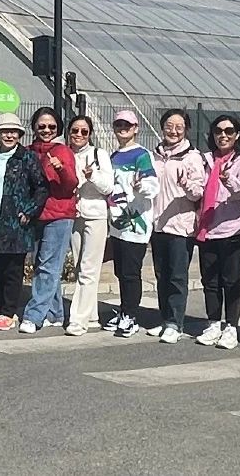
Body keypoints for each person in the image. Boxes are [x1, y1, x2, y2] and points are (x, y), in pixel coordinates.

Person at [192, 115, 240, 350]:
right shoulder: (205, 160)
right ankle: (213, 323)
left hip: (233, 231)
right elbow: (198, 189)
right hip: (207, 229)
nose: (223, 135)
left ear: (237, 135)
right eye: (219, 131)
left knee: (231, 281)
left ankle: (231, 327)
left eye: (229, 131)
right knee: (210, 281)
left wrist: (230, 181)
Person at [0, 113, 47, 331]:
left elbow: (41, 187)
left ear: (19, 134)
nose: (9, 135)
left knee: (12, 270)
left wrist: (29, 210)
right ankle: (1, 308)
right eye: (5, 131)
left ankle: (8, 312)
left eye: (13, 132)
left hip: (15, 223)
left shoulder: (26, 157)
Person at [148, 109, 206, 344]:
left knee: (177, 276)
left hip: (180, 226)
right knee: (161, 274)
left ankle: (175, 322)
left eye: (179, 127)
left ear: (186, 130)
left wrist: (186, 184)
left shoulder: (192, 157)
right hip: (157, 224)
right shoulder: (154, 155)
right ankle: (165, 319)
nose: (173, 131)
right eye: (169, 126)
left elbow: (198, 192)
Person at [20, 108, 79, 334]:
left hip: (59, 215)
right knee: (42, 266)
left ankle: (33, 315)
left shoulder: (63, 151)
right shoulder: (28, 151)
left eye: (52, 127)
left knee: (48, 266)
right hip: (36, 214)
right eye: (42, 126)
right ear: (34, 127)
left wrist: (60, 169)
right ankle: (54, 313)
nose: (46, 130)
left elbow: (71, 184)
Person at [104, 110, 161, 337]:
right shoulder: (113, 156)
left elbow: (152, 185)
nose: (122, 129)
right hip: (116, 224)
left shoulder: (142, 154)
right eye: (119, 124)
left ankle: (131, 315)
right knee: (120, 271)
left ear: (136, 128)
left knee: (130, 272)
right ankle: (124, 311)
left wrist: (141, 186)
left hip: (136, 225)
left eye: (127, 125)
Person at [64, 115, 114, 336]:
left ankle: (78, 319)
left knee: (89, 269)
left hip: (95, 215)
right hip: (74, 214)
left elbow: (108, 187)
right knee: (79, 267)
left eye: (84, 131)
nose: (79, 135)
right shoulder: (65, 154)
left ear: (90, 134)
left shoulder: (98, 154)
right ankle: (91, 315)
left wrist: (92, 175)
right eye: (75, 130)